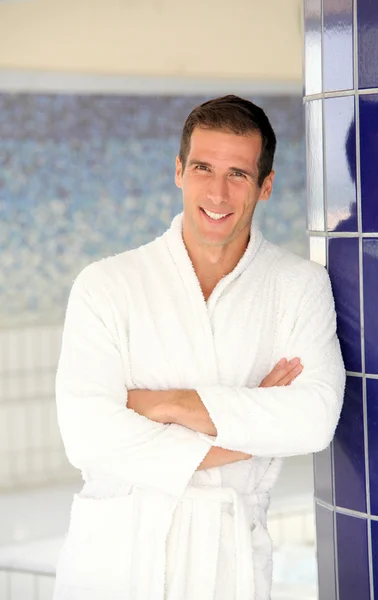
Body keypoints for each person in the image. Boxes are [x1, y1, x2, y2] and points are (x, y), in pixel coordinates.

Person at [54, 95, 345, 600]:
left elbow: (314, 420)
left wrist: (167, 404)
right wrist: (250, 434)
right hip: (114, 559)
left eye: (238, 174)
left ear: (266, 186)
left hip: (226, 562)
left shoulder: (298, 286)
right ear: (179, 172)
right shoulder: (106, 284)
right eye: (203, 167)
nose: (217, 191)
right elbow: (87, 437)